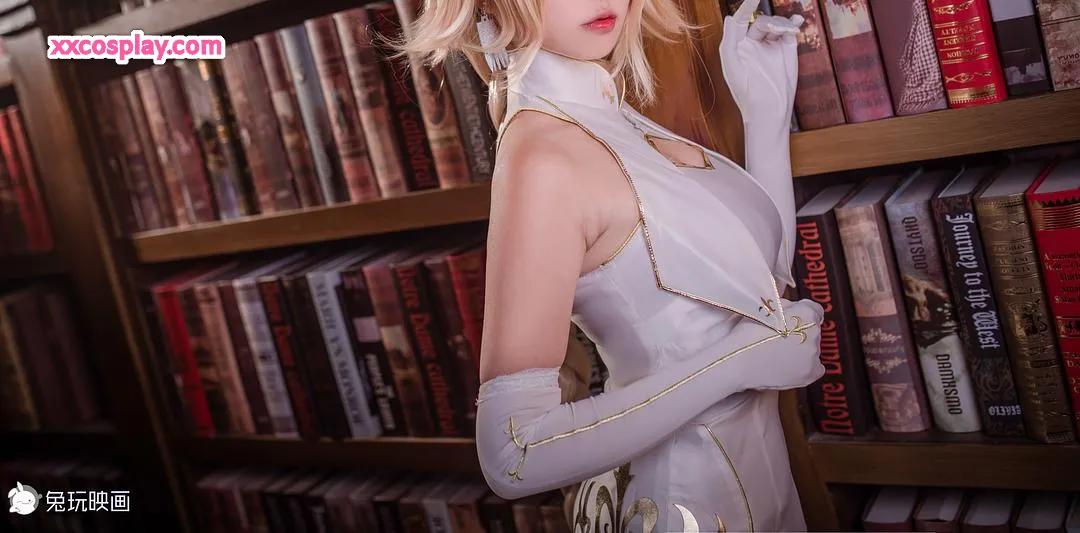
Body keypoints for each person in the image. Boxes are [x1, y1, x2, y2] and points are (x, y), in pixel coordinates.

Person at [401, 0, 826, 531]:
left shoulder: (609, 116)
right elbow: (513, 456)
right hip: (682, 506)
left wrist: (766, 116)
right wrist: (734, 366)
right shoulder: (543, 157)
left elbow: (759, 294)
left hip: (771, 495)